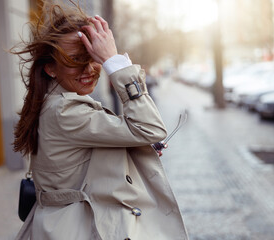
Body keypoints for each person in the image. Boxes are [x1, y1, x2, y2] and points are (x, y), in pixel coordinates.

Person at [12, 1, 188, 239]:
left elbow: (83, 159)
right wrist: (114, 62)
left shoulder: (52, 102)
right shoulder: (65, 110)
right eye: (74, 60)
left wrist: (130, 148)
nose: (88, 70)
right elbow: (150, 128)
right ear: (51, 69)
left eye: (92, 57)